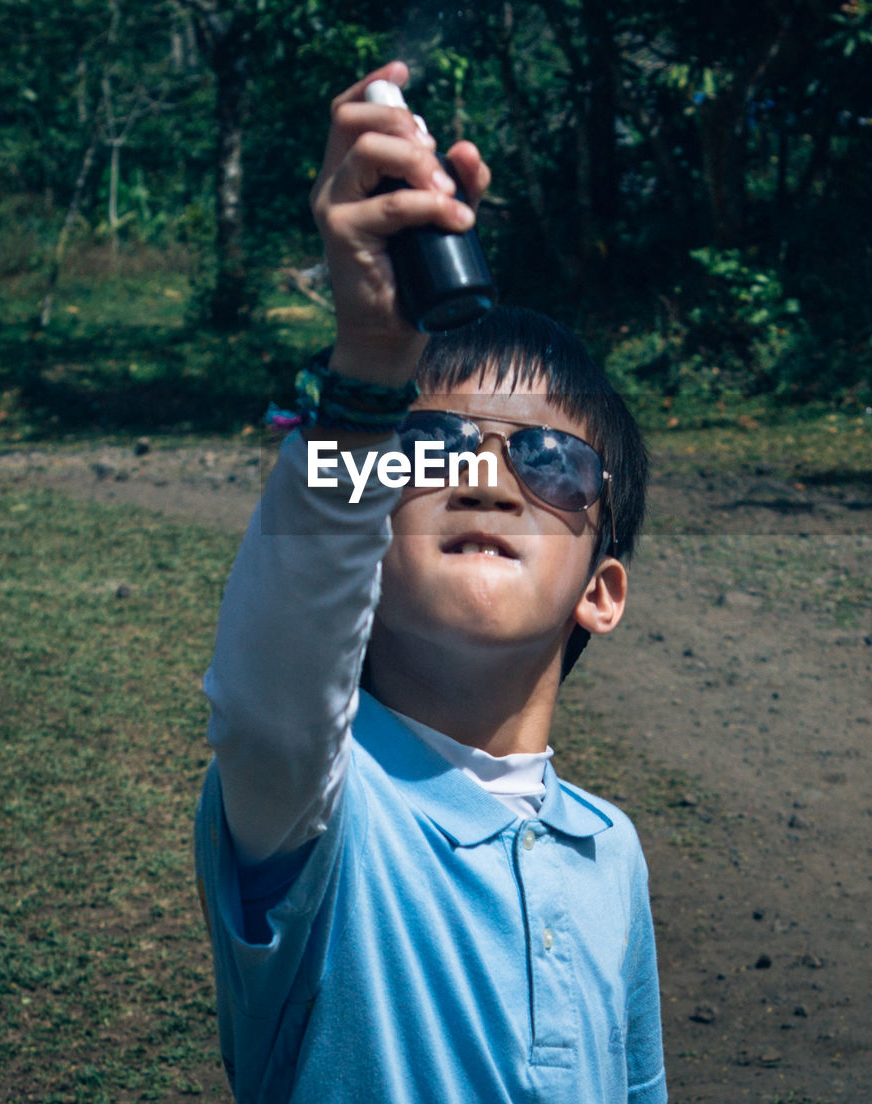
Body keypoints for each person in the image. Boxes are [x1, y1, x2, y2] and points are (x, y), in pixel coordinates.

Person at [194, 61, 666, 1103]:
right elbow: (278, 661)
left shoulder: (612, 853)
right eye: (434, 448)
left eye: (548, 462)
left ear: (602, 588)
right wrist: (367, 371)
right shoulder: (311, 805)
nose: (488, 473)